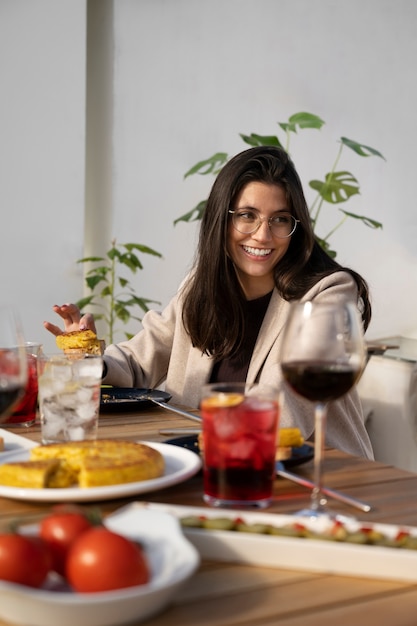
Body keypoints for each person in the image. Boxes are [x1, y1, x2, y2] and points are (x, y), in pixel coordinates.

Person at [44, 146, 374, 459]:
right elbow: (138, 363)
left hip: (321, 475)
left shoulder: (329, 290)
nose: (262, 235)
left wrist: (205, 431)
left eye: (280, 219)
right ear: (222, 218)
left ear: (294, 226)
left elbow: (286, 396)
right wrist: (90, 358)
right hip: (215, 460)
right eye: (247, 215)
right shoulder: (202, 286)